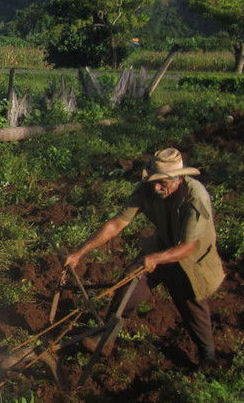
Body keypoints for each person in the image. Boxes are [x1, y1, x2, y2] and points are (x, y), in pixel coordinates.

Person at [64, 147, 225, 367]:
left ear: (178, 178)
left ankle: (208, 356)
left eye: (162, 183)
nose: (156, 187)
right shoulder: (148, 190)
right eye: (153, 181)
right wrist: (79, 252)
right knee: (130, 281)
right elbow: (117, 223)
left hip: (191, 255)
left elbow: (187, 247)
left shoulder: (195, 197)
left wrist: (156, 259)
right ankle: (106, 337)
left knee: (191, 303)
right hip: (162, 245)